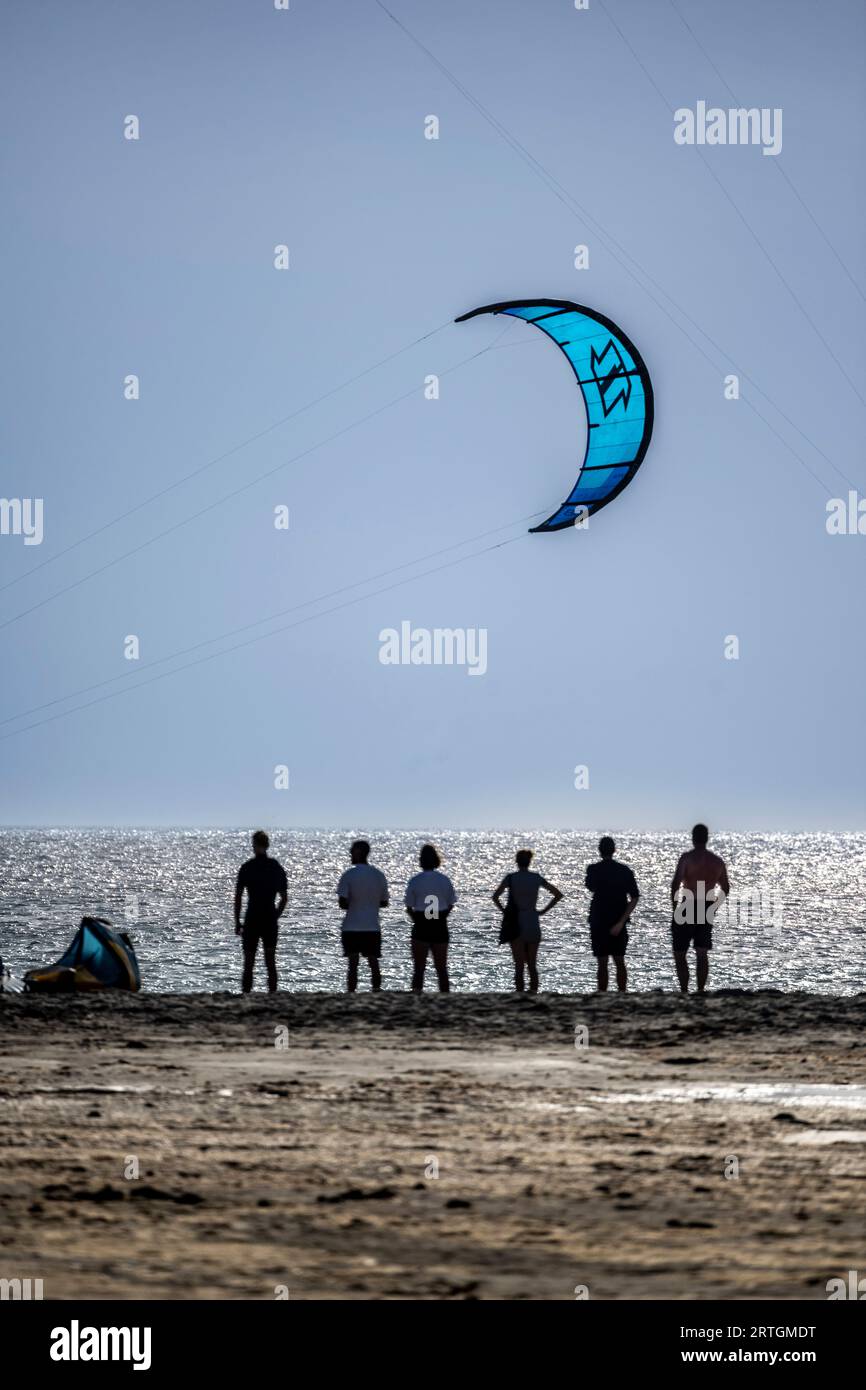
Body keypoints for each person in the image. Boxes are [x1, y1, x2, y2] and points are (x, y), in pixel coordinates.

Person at [670, 823, 730, 994]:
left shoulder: (687, 858)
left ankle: (684, 990)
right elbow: (725, 887)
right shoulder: (717, 861)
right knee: (702, 952)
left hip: (688, 904)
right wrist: (715, 906)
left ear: (693, 838)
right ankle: (700, 990)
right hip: (706, 906)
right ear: (707, 838)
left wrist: (675, 908)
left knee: (680, 952)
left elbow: (675, 884)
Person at [493, 849, 563, 994]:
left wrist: (504, 911)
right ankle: (533, 993)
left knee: (519, 965)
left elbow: (495, 897)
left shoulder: (511, 878)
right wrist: (543, 911)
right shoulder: (536, 878)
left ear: (517, 862)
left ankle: (519, 994)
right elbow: (557, 894)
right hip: (532, 921)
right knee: (532, 964)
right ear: (529, 861)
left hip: (516, 922)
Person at [234, 830, 288, 993]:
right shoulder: (275, 867)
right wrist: (275, 916)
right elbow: (284, 898)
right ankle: (272, 995)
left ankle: (247, 994)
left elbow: (238, 897)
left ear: (255, 846)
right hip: (268, 918)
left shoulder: (247, 867)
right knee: (269, 961)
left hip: (253, 918)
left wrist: (237, 922)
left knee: (250, 962)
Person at [585, 836, 640, 993]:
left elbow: (590, 887)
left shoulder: (593, 869)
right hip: (618, 919)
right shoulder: (624, 871)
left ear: (599, 851)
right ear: (614, 850)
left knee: (602, 962)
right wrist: (621, 921)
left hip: (599, 919)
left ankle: (602, 994)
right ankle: (622, 993)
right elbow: (635, 897)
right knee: (619, 960)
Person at [337, 839, 389, 992]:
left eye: (352, 850)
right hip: (372, 926)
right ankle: (376, 990)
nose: (350, 853)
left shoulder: (348, 875)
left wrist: (355, 903)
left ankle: (351, 992)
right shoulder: (379, 875)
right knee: (373, 962)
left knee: (353, 964)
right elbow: (384, 902)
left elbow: (342, 903)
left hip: (352, 925)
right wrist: (370, 903)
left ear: (358, 852)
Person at [404, 843, 457, 992]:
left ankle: (417, 995)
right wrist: (444, 915)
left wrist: (416, 920)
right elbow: (451, 903)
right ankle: (445, 996)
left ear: (421, 860)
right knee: (441, 968)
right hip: (439, 924)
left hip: (421, 923)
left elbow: (409, 906)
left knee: (419, 969)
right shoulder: (444, 880)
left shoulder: (415, 880)